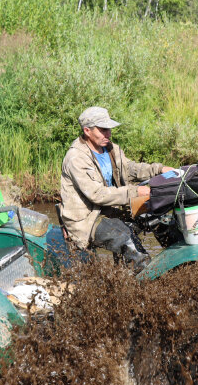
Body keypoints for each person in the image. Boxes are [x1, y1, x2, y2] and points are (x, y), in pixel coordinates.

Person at [59, 106, 174, 271]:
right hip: (89, 217)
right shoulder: (76, 158)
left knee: (160, 216)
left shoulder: (111, 148)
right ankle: (149, 280)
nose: (108, 134)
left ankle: (179, 264)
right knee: (125, 238)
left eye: (109, 129)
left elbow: (130, 168)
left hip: (113, 208)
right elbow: (98, 195)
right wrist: (136, 191)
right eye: (103, 130)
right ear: (87, 131)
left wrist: (158, 169)